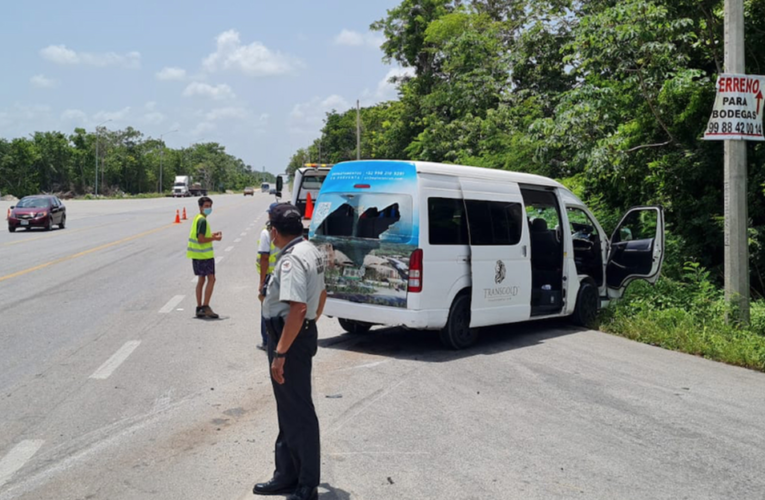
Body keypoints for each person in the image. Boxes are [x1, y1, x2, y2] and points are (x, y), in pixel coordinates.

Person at [254, 203, 327, 500]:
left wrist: (281, 352)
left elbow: (297, 307)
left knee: (298, 412)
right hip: (296, 334)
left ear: (275, 231)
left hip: (289, 339)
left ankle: (306, 484)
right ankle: (286, 474)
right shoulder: (310, 249)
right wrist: (310, 323)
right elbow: (321, 294)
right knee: (289, 410)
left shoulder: (292, 260)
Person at [187, 196, 222, 319]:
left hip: (197, 255)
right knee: (211, 279)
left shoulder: (198, 218)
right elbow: (201, 239)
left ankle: (199, 307)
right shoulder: (202, 220)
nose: (208, 208)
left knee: (201, 280)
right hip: (204, 256)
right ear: (200, 207)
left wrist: (211, 235)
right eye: (206, 206)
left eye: (210, 206)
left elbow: (201, 235)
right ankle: (206, 307)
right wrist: (214, 238)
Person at [256, 202, 280, 351]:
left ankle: (267, 341)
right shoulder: (286, 231)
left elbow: (264, 257)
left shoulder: (267, 232)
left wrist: (261, 282)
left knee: (266, 309)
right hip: (284, 274)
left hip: (270, 277)